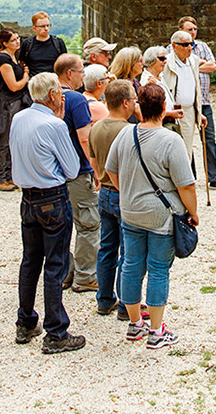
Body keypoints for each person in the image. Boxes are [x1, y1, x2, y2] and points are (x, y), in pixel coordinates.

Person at [104, 83, 199, 350]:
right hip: (161, 215)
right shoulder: (171, 141)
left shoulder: (125, 135)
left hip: (131, 212)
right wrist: (193, 213)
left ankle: (135, 324)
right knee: (158, 269)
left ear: (140, 107)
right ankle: (156, 331)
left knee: (131, 265)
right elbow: (186, 185)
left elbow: (110, 170)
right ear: (163, 108)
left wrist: (128, 191)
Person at [8, 72, 89, 354]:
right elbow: (71, 168)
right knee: (55, 264)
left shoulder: (19, 118)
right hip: (52, 197)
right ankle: (56, 331)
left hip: (27, 198)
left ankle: (26, 320)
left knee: (30, 261)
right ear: (54, 94)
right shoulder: (54, 125)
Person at [48, 54, 103, 294]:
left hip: (52, 172)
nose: (83, 75)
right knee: (89, 224)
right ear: (69, 73)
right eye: (81, 71)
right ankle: (86, 276)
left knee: (60, 227)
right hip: (77, 170)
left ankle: (64, 273)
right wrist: (95, 167)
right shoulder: (76, 100)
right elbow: (84, 137)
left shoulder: (46, 98)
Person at [87, 80, 136, 320]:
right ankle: (127, 305)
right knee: (128, 252)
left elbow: (94, 159)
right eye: (134, 100)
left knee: (106, 248)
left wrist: (100, 178)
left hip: (104, 192)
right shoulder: (128, 130)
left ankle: (104, 299)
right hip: (123, 193)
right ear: (126, 103)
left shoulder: (95, 127)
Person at [178, 17, 216, 192]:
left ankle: (215, 178)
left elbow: (212, 66)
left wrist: (192, 66)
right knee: (185, 139)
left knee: (209, 139)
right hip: (184, 103)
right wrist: (196, 65)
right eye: (189, 29)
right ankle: (189, 176)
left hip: (204, 102)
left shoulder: (202, 47)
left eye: (194, 29)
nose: (192, 32)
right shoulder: (174, 48)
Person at [0, 28, 32, 192]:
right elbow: (13, 85)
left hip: (14, 103)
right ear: (4, 43)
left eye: (18, 39)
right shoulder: (3, 60)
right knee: (4, 141)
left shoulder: (12, 58)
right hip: (6, 105)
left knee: (12, 140)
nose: (17, 42)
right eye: (13, 40)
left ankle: (9, 175)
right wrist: (26, 76)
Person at [160, 31, 207, 192]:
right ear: (174, 46)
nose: (189, 47)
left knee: (187, 148)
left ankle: (184, 185)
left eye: (191, 44)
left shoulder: (193, 61)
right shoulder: (167, 63)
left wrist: (198, 112)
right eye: (185, 44)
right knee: (171, 148)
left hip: (189, 111)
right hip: (172, 111)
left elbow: (196, 89)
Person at [19, 12, 67, 81]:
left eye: (48, 25)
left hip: (54, 82)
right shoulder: (27, 44)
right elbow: (22, 63)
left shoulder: (58, 43)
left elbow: (65, 64)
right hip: (34, 83)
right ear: (34, 28)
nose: (46, 28)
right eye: (42, 26)